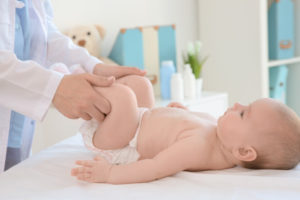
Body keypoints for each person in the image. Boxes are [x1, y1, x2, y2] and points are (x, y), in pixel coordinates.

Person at [71, 75, 300, 184]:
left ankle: (72, 81)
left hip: (121, 143)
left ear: (243, 152)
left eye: (243, 113)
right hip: (139, 121)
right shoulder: (216, 128)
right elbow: (185, 123)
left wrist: (110, 174)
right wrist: (181, 112)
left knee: (125, 96)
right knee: (140, 83)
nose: (238, 105)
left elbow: (154, 167)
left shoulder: (198, 148)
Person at [0, 0, 145, 172]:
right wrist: (55, 88)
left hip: (17, 131)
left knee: (139, 85)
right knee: (128, 93)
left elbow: (45, 36)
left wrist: (93, 66)